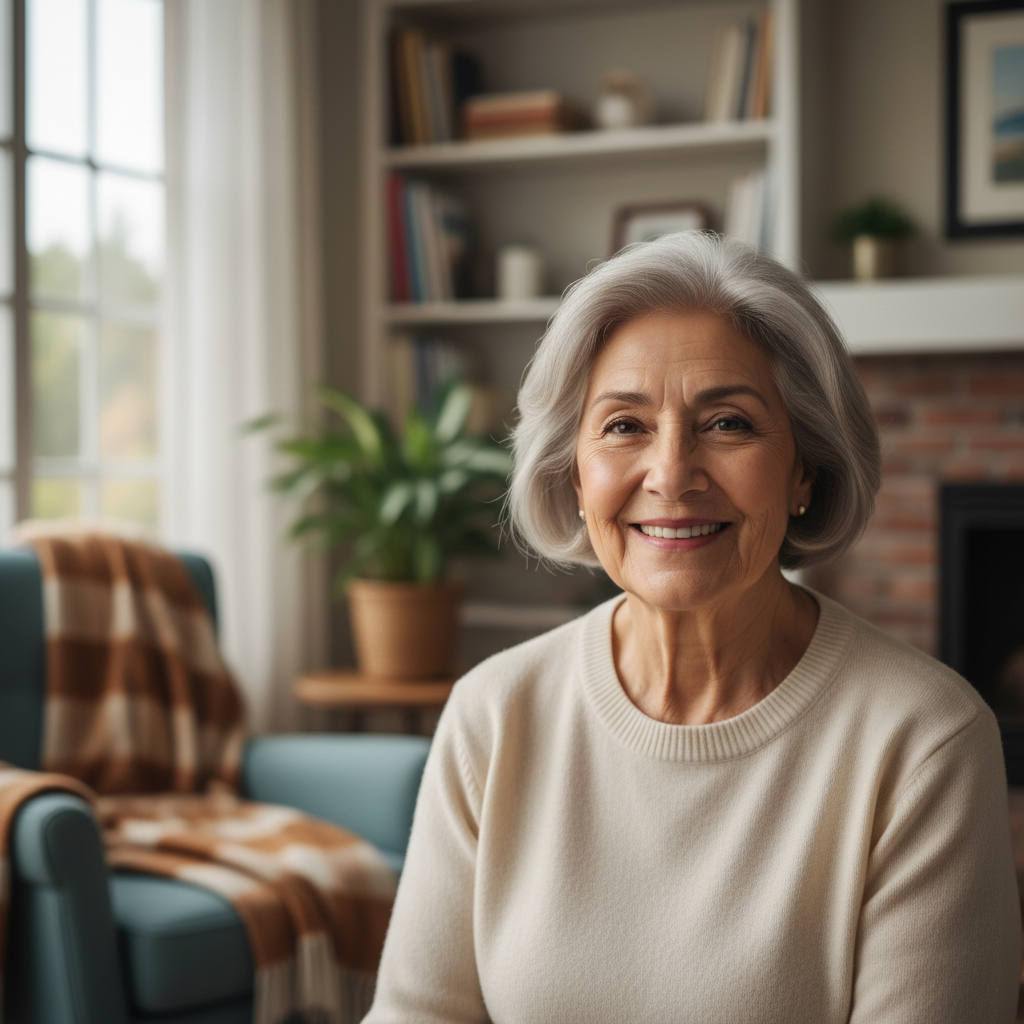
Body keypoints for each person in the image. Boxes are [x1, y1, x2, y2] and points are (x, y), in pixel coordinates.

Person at [362, 233, 1021, 1023]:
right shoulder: (493, 714)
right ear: (574, 472)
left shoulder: (925, 741)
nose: (671, 474)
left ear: (805, 466)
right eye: (623, 426)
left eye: (729, 424)